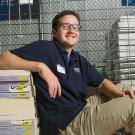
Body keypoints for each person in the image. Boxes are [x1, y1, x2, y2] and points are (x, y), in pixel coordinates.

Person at [0, 10, 135, 135]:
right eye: (66, 26)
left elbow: (102, 82)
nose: (71, 30)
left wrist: (119, 95)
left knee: (124, 88)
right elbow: (3, 59)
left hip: (81, 107)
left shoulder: (78, 59)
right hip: (69, 123)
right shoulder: (45, 49)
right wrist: (40, 66)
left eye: (75, 27)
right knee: (132, 106)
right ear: (54, 32)